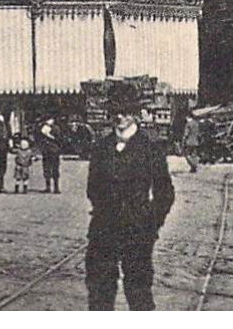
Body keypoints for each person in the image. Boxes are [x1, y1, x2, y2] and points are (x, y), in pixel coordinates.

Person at [84, 102, 174, 311]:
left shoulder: (150, 147)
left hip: (138, 230)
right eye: (115, 112)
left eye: (125, 112)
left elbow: (165, 192)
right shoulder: (101, 146)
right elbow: (92, 187)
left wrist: (152, 223)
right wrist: (104, 209)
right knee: (99, 290)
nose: (120, 117)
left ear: (135, 114)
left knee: (138, 290)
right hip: (104, 228)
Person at [37, 117, 64, 194]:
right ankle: (48, 187)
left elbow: (58, 139)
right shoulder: (42, 127)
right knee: (46, 168)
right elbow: (39, 138)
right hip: (46, 150)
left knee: (55, 168)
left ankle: (56, 187)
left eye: (49, 120)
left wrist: (48, 135)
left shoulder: (56, 128)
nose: (48, 121)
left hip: (54, 150)